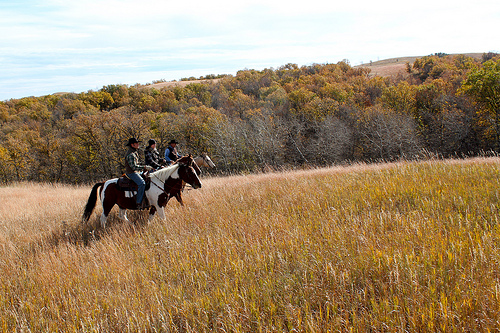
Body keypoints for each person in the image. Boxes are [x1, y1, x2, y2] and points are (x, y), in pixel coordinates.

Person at [125, 137, 152, 209]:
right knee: (142, 183)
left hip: (136, 172)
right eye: (136, 143)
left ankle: (146, 199)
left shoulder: (134, 152)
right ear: (132, 145)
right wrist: (144, 167)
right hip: (131, 173)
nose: (138, 144)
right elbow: (133, 167)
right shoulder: (130, 154)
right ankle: (139, 202)